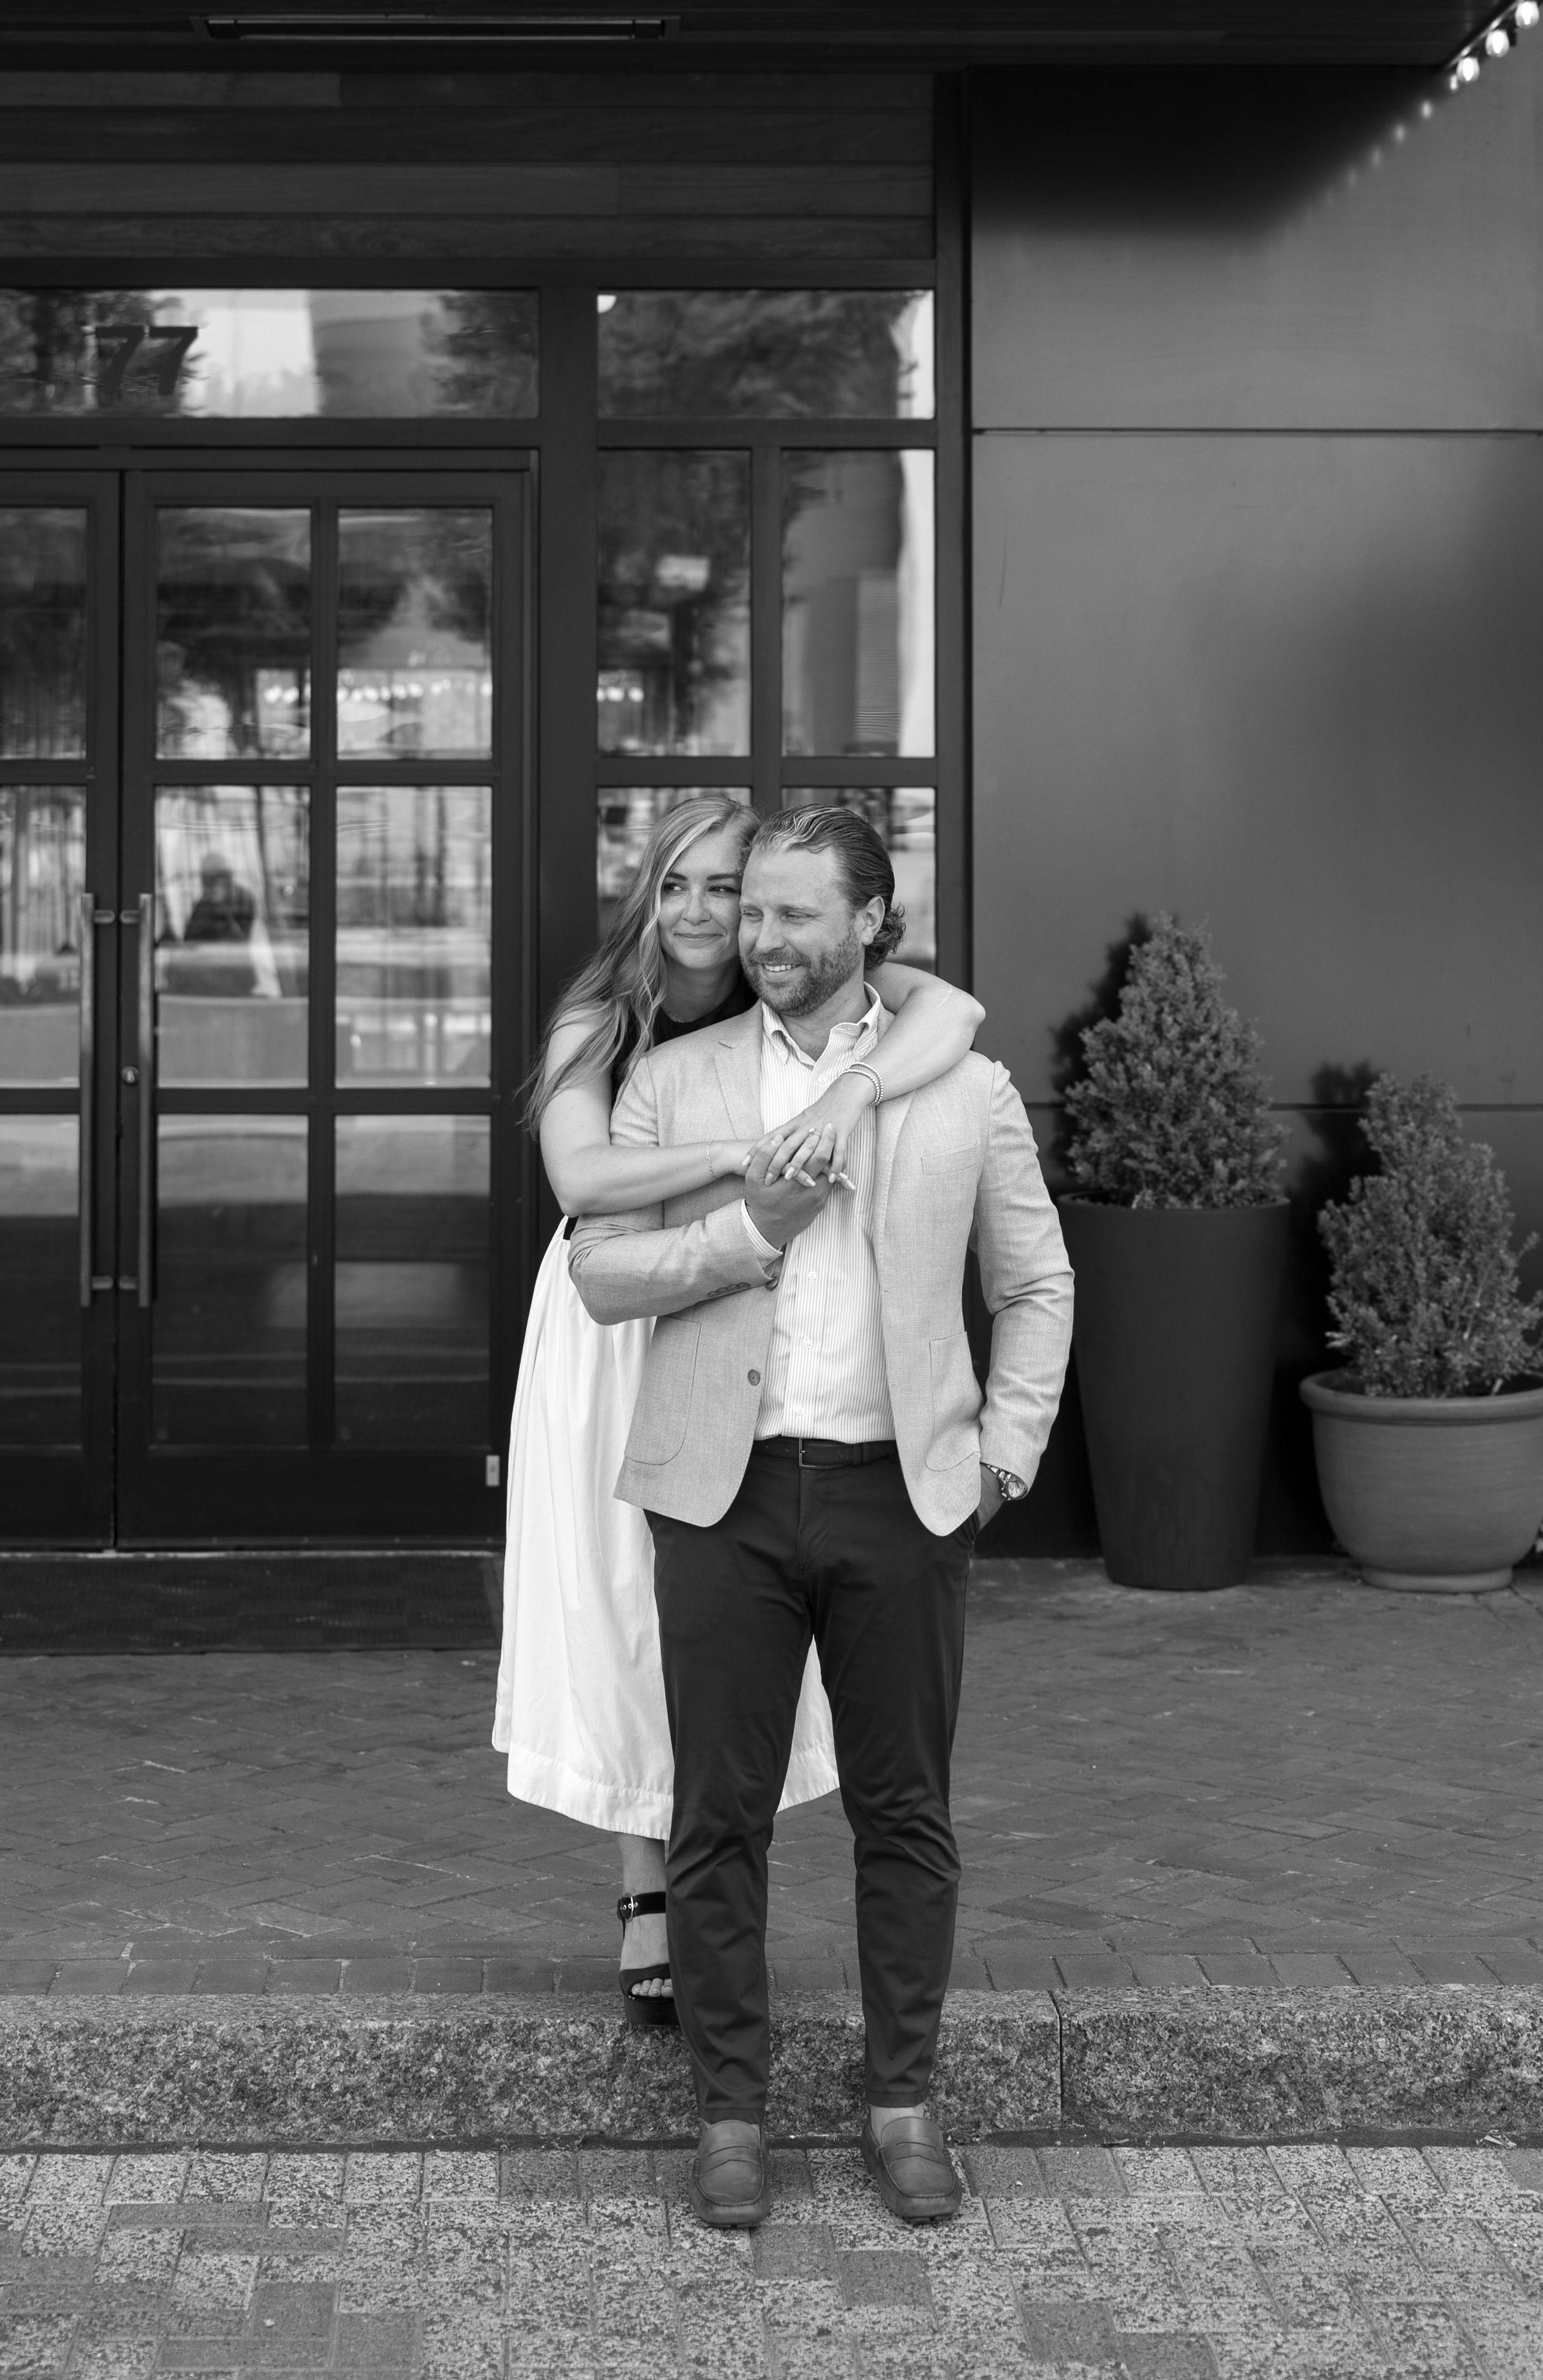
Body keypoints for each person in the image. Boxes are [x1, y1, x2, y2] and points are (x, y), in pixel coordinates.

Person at [569, 805, 1072, 2238]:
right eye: (753, 911)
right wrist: (748, 1233)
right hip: (718, 1496)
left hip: (898, 1496)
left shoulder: (961, 1087)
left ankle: (902, 2103)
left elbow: (1035, 1283)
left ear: (869, 922)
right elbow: (603, 1273)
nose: (761, 936)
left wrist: (1003, 1454)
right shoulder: (674, 1078)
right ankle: (730, 2114)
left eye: (794, 912)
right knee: (714, 1817)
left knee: (902, 1812)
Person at [492, 794, 987, 2030]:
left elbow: (955, 1017)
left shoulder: (803, 984)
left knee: (714, 1609)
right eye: (680, 884)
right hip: (617, 1322)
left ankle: (710, 1864)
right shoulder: (604, 1017)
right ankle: (643, 1889)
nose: (708, 911)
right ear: (646, 896)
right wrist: (744, 1150)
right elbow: (582, 1175)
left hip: (748, 1322)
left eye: (731, 886)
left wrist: (848, 1089)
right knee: (622, 1593)